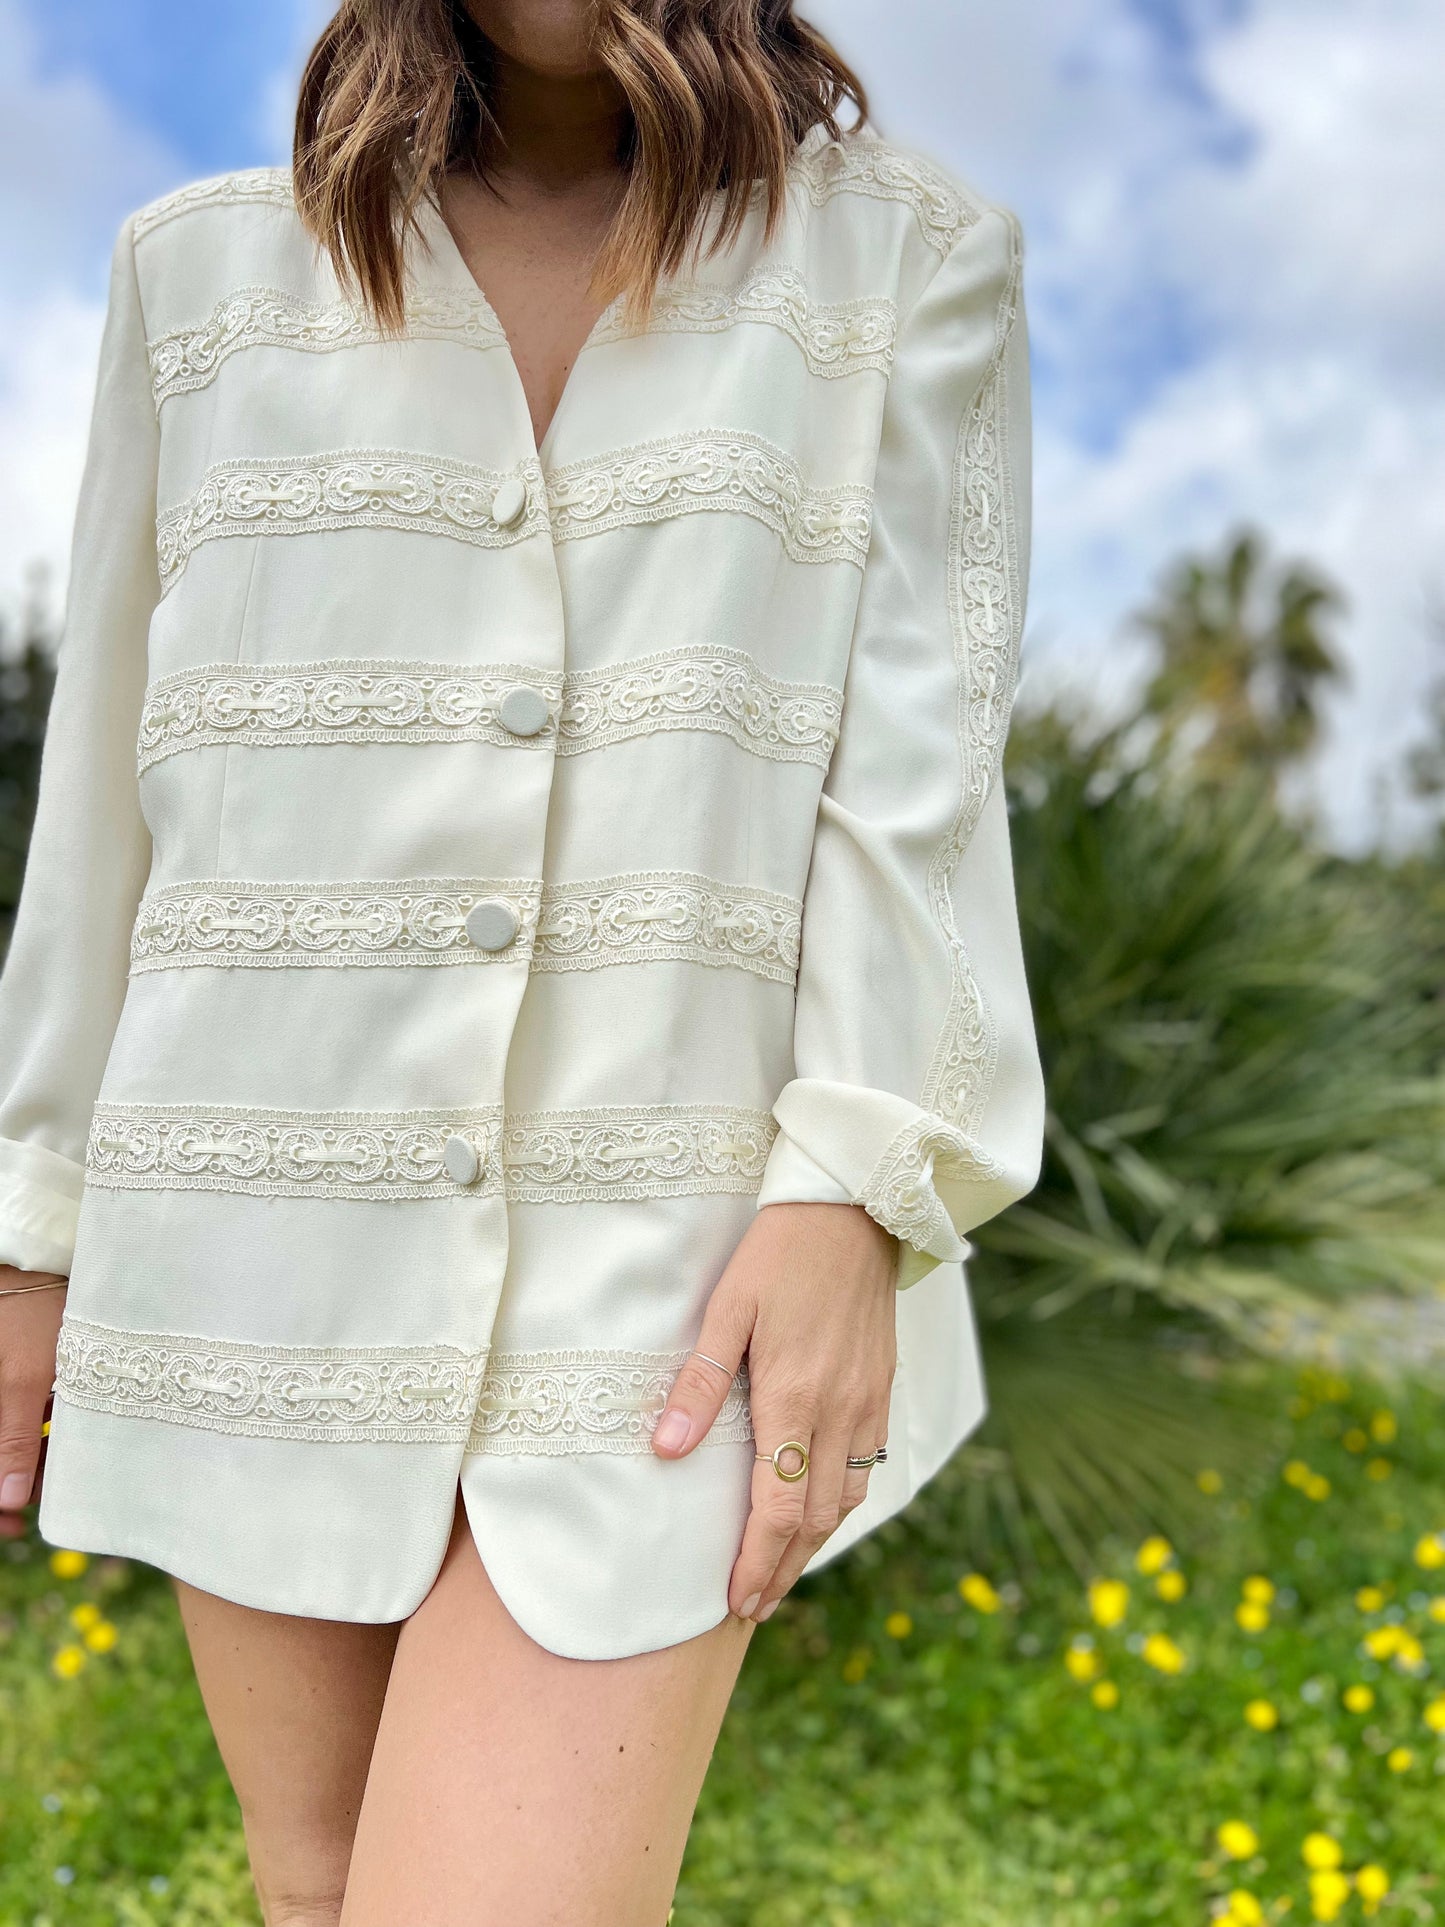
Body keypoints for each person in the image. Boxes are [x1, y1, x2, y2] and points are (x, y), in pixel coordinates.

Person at [0, 1, 1044, 1919]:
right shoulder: (200, 277)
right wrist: (32, 1224)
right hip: (252, 1229)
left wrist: (857, 1186)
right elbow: (105, 800)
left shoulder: (899, 260)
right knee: (314, 1887)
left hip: (678, 1261)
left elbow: (921, 784)